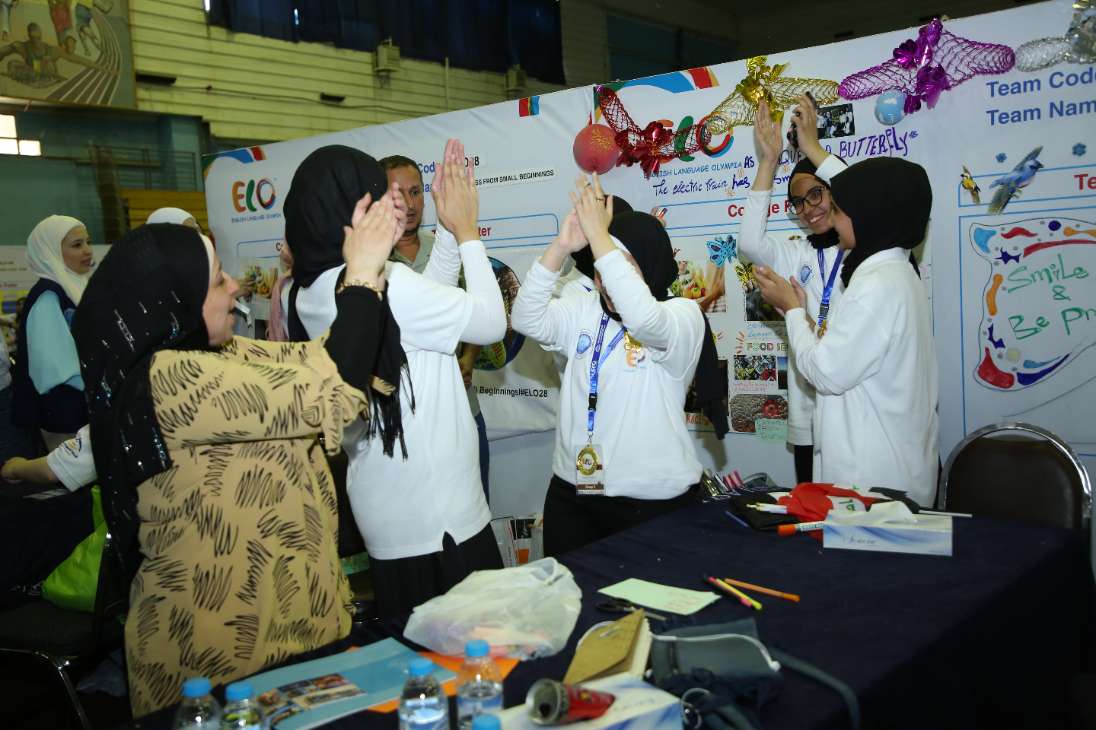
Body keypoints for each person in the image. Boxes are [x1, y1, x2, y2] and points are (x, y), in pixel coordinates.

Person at [72, 193, 402, 715]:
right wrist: (360, 278)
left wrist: (364, 269)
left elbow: (320, 358)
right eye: (217, 280)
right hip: (221, 655)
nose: (234, 287)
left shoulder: (226, 351)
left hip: (291, 631)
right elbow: (332, 388)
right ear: (176, 298)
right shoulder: (170, 378)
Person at [289, 140, 505, 618]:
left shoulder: (316, 290)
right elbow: (490, 322)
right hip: (443, 523)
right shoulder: (393, 287)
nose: (396, 208)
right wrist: (468, 233)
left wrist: (444, 233)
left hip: (389, 516)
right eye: (378, 199)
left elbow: (426, 309)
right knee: (476, 653)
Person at [511, 175, 726, 556]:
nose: (606, 282)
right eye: (600, 269)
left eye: (619, 269)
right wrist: (562, 246)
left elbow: (642, 319)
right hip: (573, 491)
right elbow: (525, 319)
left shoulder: (681, 316)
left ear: (648, 262)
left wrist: (600, 238)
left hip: (650, 500)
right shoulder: (583, 307)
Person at [754, 156, 939, 507]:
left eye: (840, 210)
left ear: (870, 213)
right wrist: (803, 320)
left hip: (873, 484)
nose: (834, 220)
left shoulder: (877, 284)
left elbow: (825, 373)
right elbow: (846, 358)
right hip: (885, 476)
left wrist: (793, 311)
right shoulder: (894, 274)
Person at [740, 96, 848, 484]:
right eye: (798, 203)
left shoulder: (865, 248)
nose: (808, 209)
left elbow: (860, 193)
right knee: (810, 509)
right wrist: (768, 162)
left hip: (851, 404)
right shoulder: (797, 252)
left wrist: (812, 146)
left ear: (835, 191)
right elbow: (749, 244)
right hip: (808, 410)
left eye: (816, 194)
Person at [380, 154, 491, 501]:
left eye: (416, 192)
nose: (410, 204)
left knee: (475, 504)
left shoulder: (444, 247)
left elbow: (478, 312)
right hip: (407, 417)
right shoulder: (373, 263)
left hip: (462, 405)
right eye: (398, 194)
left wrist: (468, 360)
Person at [11, 215, 93, 451]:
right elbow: (52, 368)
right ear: (50, 251)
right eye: (77, 245)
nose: (87, 251)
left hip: (79, 403)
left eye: (88, 242)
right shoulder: (48, 295)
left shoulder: (74, 285)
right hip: (62, 410)